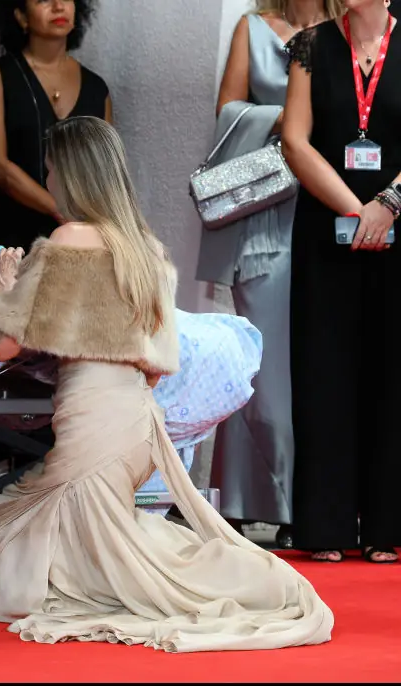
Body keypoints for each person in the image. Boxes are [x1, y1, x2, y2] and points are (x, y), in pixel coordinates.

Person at [0, 115, 332, 652]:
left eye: (49, 170)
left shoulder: (67, 240)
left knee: (7, 542)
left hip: (92, 424)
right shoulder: (147, 249)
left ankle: (240, 582)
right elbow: (161, 365)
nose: (46, 181)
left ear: (70, 175)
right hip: (137, 424)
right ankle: (225, 575)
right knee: (68, 537)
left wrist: (4, 281)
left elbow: (6, 347)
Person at [200, 0, 344, 550]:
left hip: (334, 204)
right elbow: (227, 112)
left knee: (326, 361)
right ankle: (253, 500)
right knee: (265, 366)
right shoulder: (253, 27)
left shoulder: (349, 29)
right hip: (268, 212)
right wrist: (282, 119)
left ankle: (321, 501)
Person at [281, 0, 401, 563]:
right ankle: (324, 525)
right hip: (327, 231)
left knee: (392, 374)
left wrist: (388, 205)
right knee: (322, 372)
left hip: (399, 225)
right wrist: (357, 211)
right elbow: (295, 141)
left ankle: (387, 525)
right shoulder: (310, 45)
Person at [0, 0, 111, 250]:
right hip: (5, 233)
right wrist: (59, 209)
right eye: (42, 0)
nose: (58, 6)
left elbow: (105, 167)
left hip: (72, 238)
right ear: (21, 17)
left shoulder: (97, 88)